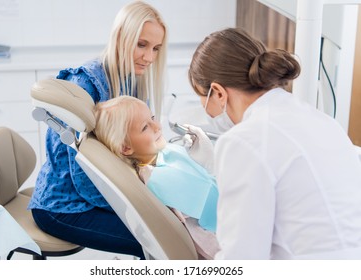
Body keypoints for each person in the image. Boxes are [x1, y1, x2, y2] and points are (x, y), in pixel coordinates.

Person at [187, 27, 361, 259]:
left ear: (218, 92)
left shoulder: (244, 140)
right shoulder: (320, 119)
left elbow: (243, 261)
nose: (204, 109)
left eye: (202, 97)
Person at [28, 1, 168, 259]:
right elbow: (81, 174)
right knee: (159, 243)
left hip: (92, 197)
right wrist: (135, 207)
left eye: (156, 48)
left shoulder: (129, 80)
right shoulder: (85, 84)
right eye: (142, 44)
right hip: (62, 206)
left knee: (167, 229)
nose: (150, 57)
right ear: (121, 37)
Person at [93, 95, 220, 259]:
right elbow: (214, 206)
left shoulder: (162, 154)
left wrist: (202, 162)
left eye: (152, 118)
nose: (157, 126)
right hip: (220, 243)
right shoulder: (158, 178)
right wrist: (210, 165)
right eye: (145, 127)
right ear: (125, 147)